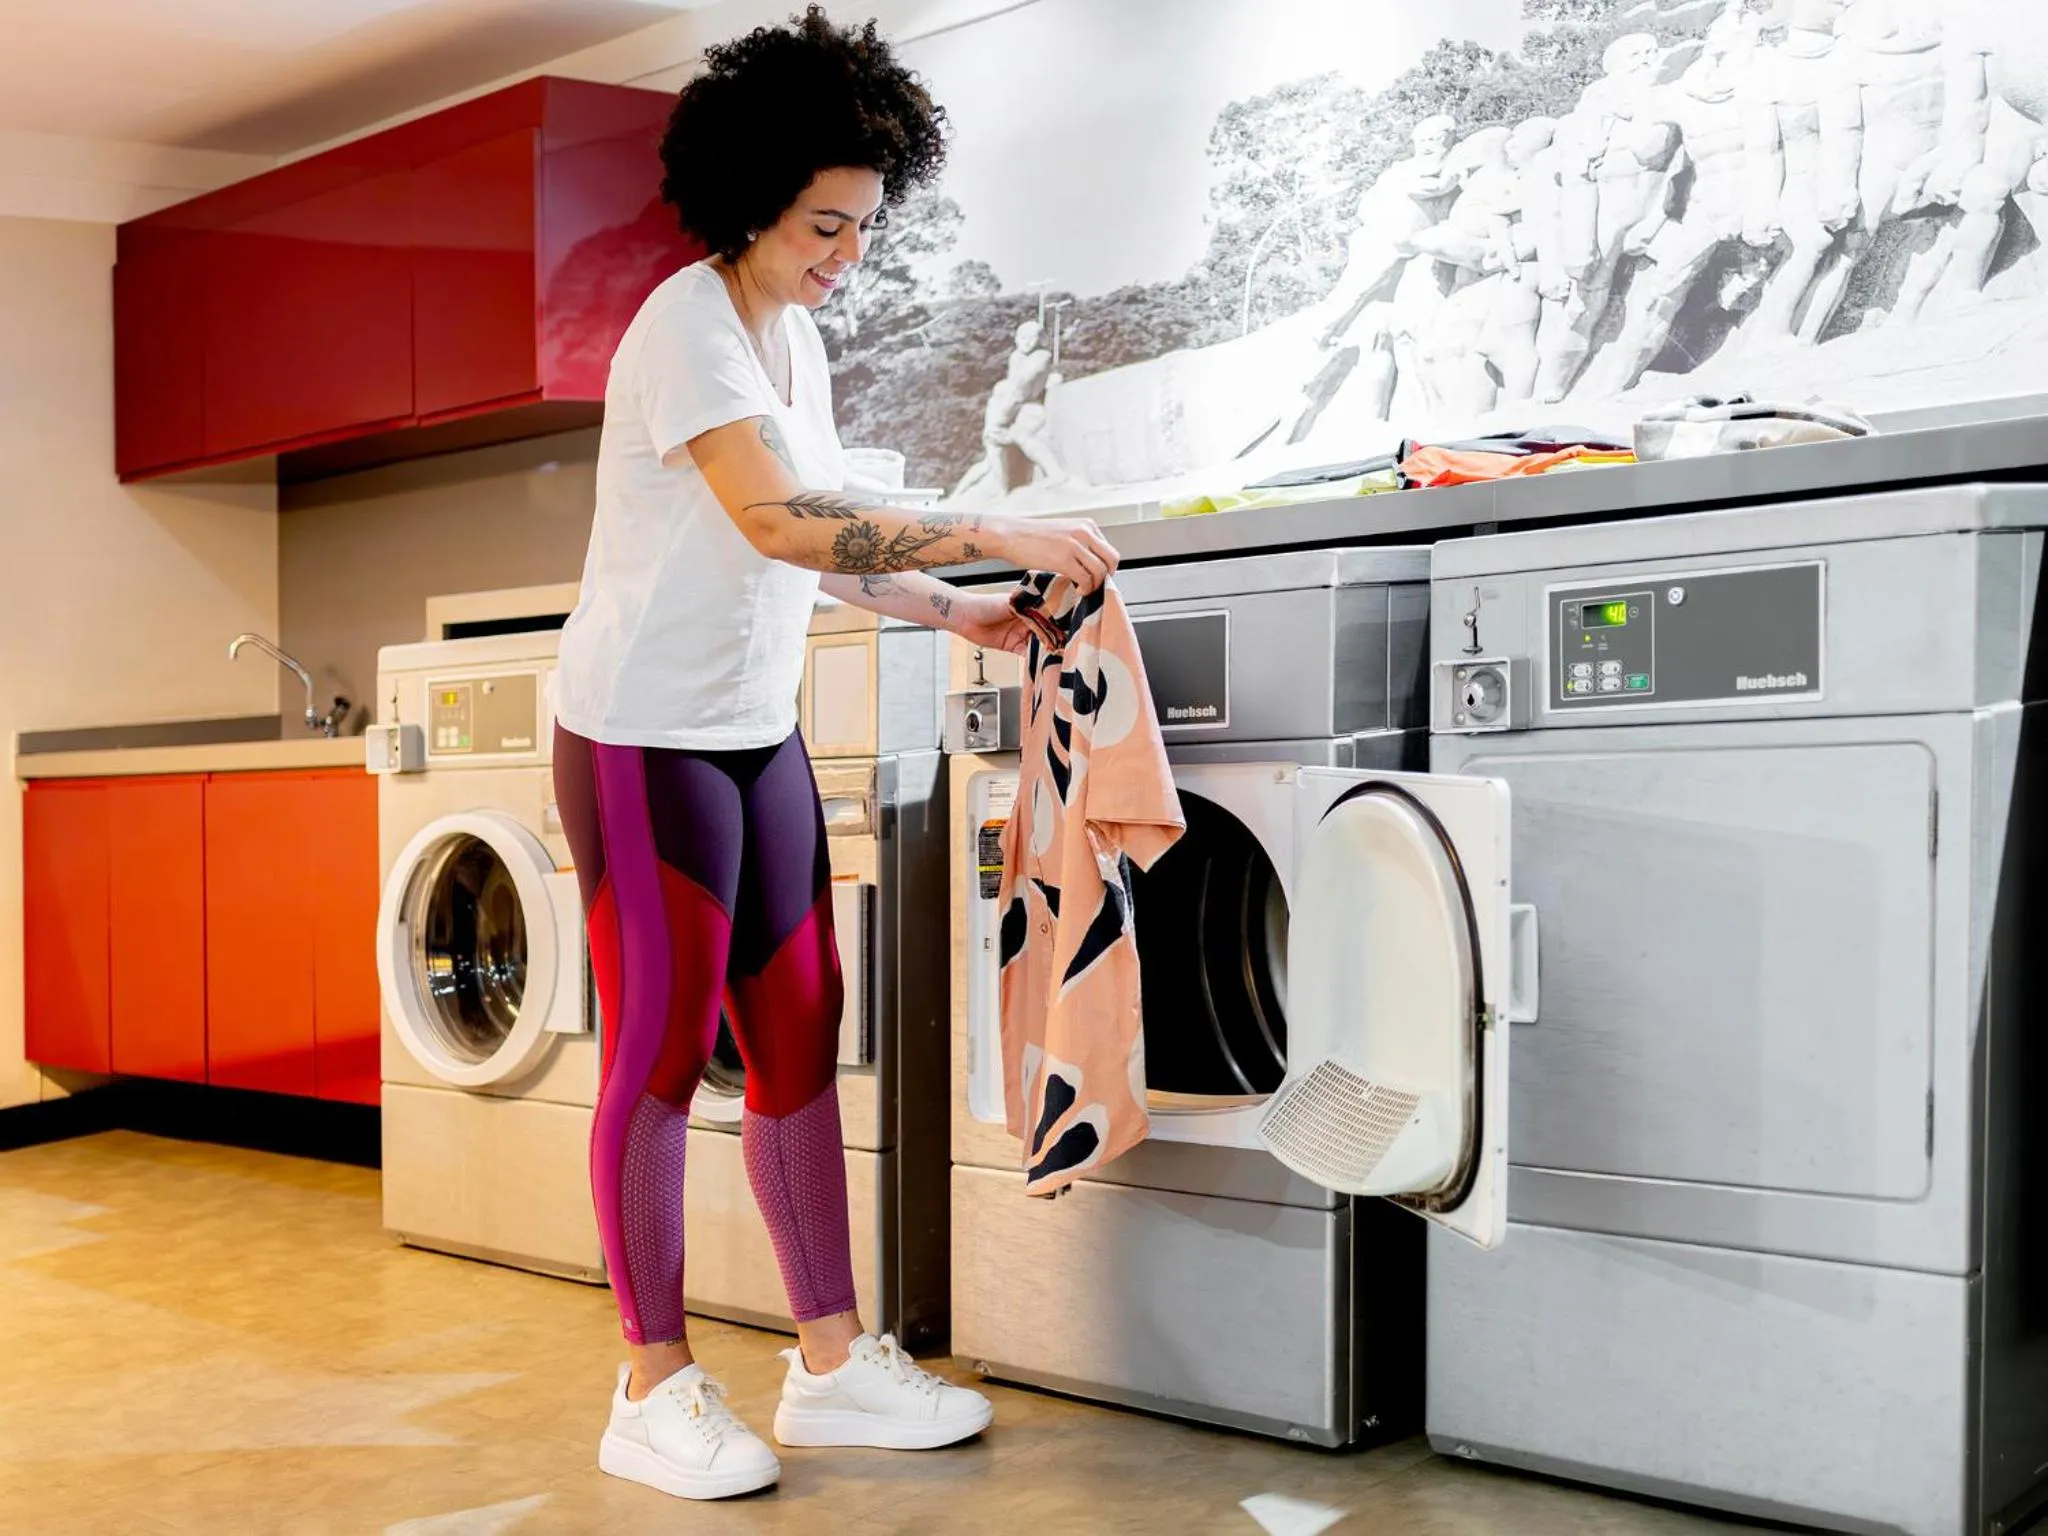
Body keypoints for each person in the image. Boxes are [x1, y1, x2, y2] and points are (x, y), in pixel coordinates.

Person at [548, 7, 1117, 1504]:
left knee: (802, 1029)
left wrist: (956, 609)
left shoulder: (788, 338)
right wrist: (990, 528)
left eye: (865, 226)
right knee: (661, 1048)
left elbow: (819, 532)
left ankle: (829, 1366)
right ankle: (650, 1389)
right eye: (824, 226)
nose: (847, 256)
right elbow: (776, 518)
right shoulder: (685, 325)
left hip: (754, 731)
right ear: (750, 199)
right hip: (644, 738)